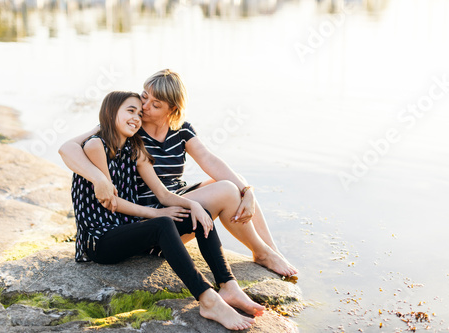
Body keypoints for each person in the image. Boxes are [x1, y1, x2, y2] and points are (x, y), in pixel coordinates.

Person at [59, 69, 298, 277]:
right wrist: (98, 178)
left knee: (236, 184)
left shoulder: (181, 129)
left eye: (156, 104)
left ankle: (271, 250)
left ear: (172, 109)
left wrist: (248, 192)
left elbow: (207, 159)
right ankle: (261, 252)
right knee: (227, 190)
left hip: (175, 196)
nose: (144, 106)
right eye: (145, 97)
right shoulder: (130, 126)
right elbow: (70, 147)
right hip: (151, 214)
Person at [69, 91, 264, 330]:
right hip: (99, 242)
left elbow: (163, 194)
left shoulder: (135, 148)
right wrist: (158, 214)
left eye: (139, 113)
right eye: (130, 111)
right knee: (162, 223)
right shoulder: (95, 145)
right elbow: (112, 203)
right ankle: (208, 299)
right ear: (111, 113)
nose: (137, 118)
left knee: (196, 212)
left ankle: (227, 284)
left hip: (126, 231)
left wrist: (194, 205)